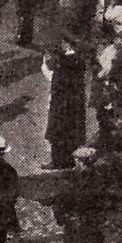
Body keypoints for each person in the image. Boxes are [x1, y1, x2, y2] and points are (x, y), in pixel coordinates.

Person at [42, 35, 89, 170]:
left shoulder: (65, 61)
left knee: (58, 130)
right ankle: (69, 159)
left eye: (63, 42)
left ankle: (57, 161)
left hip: (62, 102)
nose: (61, 44)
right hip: (74, 103)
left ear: (68, 44)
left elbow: (58, 80)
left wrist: (48, 62)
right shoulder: (78, 60)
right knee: (70, 130)